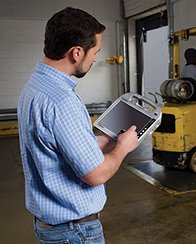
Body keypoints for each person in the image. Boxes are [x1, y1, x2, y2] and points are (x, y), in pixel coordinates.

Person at [17, 7, 139, 244]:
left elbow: (57, 147)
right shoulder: (62, 101)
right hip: (74, 233)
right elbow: (95, 175)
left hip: (51, 227)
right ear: (76, 53)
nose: (95, 58)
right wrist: (122, 148)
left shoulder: (34, 86)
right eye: (95, 52)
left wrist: (108, 140)